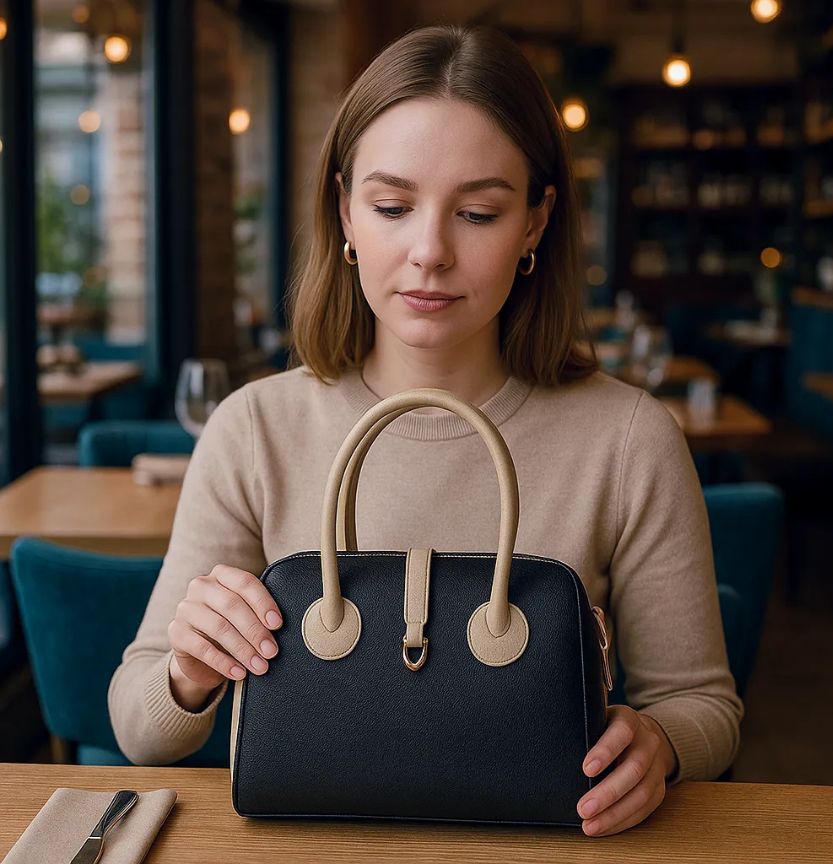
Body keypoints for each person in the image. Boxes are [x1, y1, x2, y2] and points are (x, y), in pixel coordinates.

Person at [109, 24, 743, 837]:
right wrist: (191, 672)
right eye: (392, 206)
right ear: (344, 212)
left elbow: (704, 706)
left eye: (478, 212)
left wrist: (661, 741)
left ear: (536, 226)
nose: (429, 252)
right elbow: (137, 717)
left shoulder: (627, 439)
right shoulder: (253, 429)